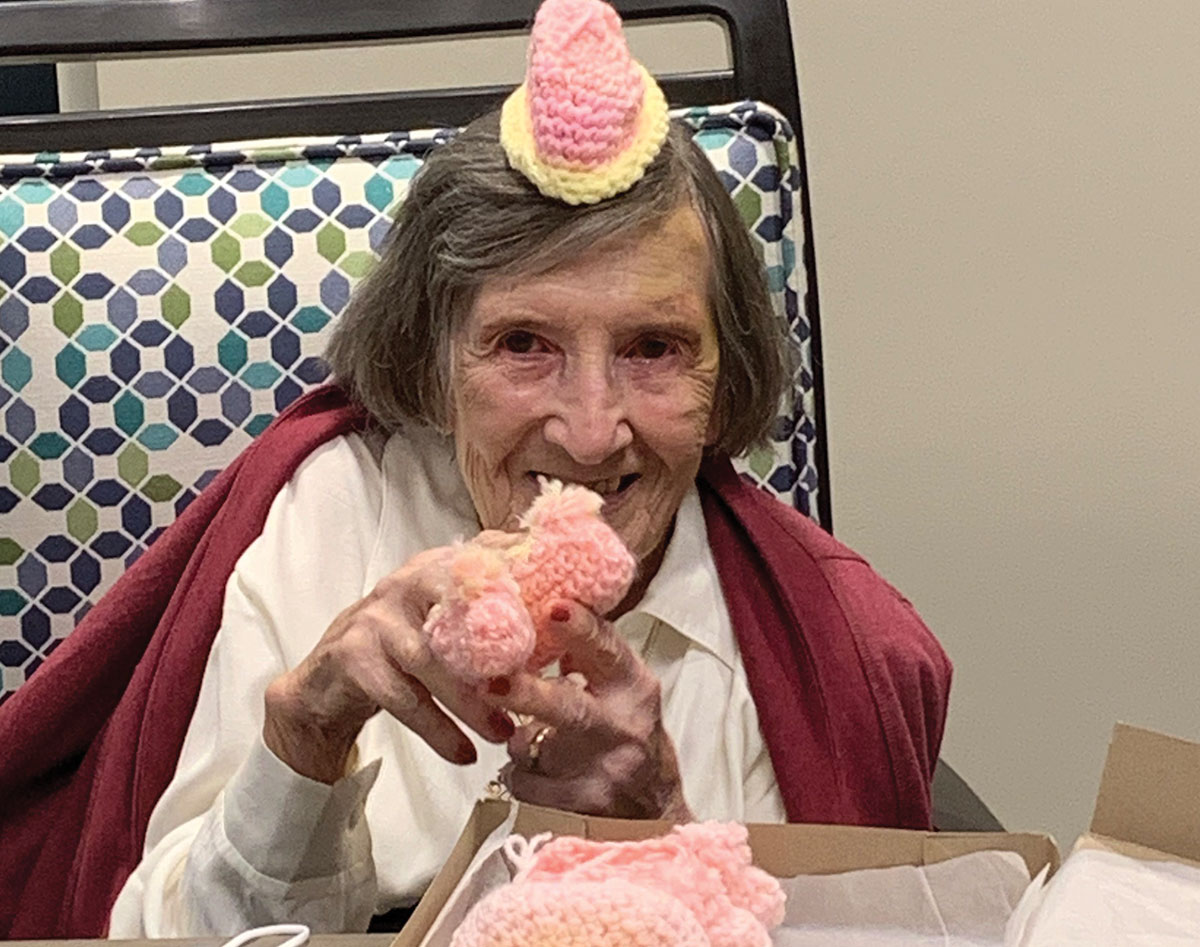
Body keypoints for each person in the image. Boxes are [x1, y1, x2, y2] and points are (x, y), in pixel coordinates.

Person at [0, 0, 949, 938]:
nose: (588, 434)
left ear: (726, 372)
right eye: (524, 343)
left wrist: (658, 827)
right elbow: (154, 931)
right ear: (433, 355)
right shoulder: (327, 510)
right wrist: (301, 743)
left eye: (654, 348)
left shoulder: (817, 644)